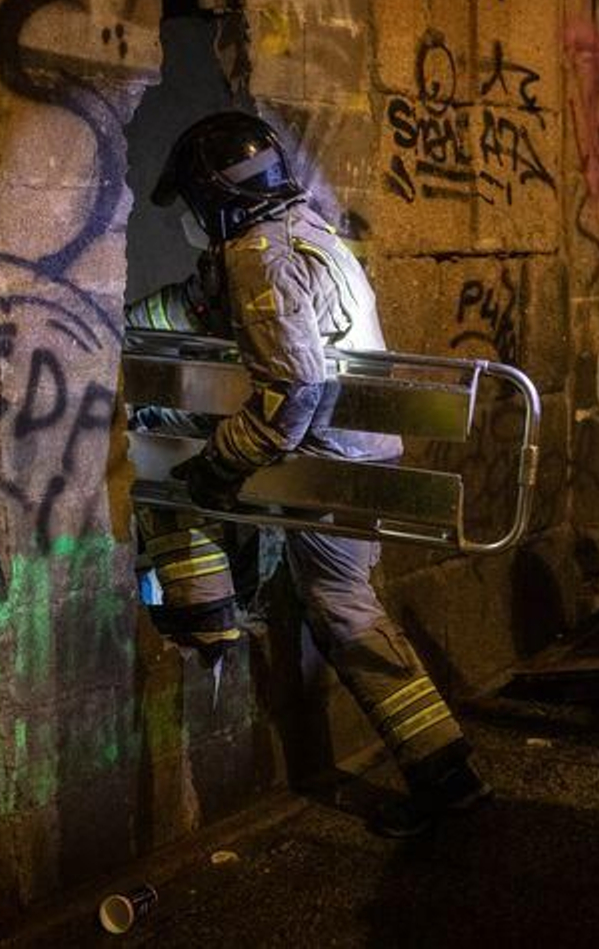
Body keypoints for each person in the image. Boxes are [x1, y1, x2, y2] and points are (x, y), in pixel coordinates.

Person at [133, 110, 490, 838]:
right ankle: (442, 768)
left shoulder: (258, 257)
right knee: (344, 603)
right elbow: (203, 310)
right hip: (357, 449)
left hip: (326, 457)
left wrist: (220, 462)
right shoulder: (305, 231)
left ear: (213, 197)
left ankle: (206, 618)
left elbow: (292, 391)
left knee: (161, 456)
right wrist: (120, 325)